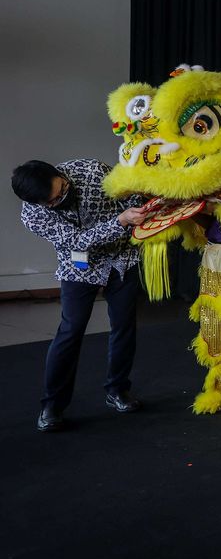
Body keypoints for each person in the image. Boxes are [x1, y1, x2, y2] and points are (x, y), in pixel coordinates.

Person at [12, 159, 148, 432]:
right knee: (70, 331)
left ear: (61, 174)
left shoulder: (91, 170)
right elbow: (77, 241)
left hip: (122, 256)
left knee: (124, 325)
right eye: (52, 202)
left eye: (62, 190)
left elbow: (130, 193)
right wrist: (121, 221)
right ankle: (51, 406)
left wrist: (139, 207)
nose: (60, 199)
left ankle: (118, 390)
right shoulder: (32, 216)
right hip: (77, 265)